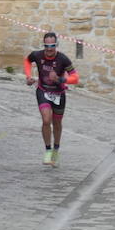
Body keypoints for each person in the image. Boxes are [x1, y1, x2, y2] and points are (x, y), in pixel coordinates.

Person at [24, 32, 76, 167]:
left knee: (57, 124)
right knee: (46, 120)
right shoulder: (37, 55)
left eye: (52, 45)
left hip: (59, 94)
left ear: (56, 45)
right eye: (46, 46)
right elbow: (27, 61)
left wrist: (60, 79)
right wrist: (29, 76)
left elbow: (75, 78)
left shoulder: (63, 59)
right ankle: (48, 150)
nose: (49, 49)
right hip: (43, 91)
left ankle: (56, 151)